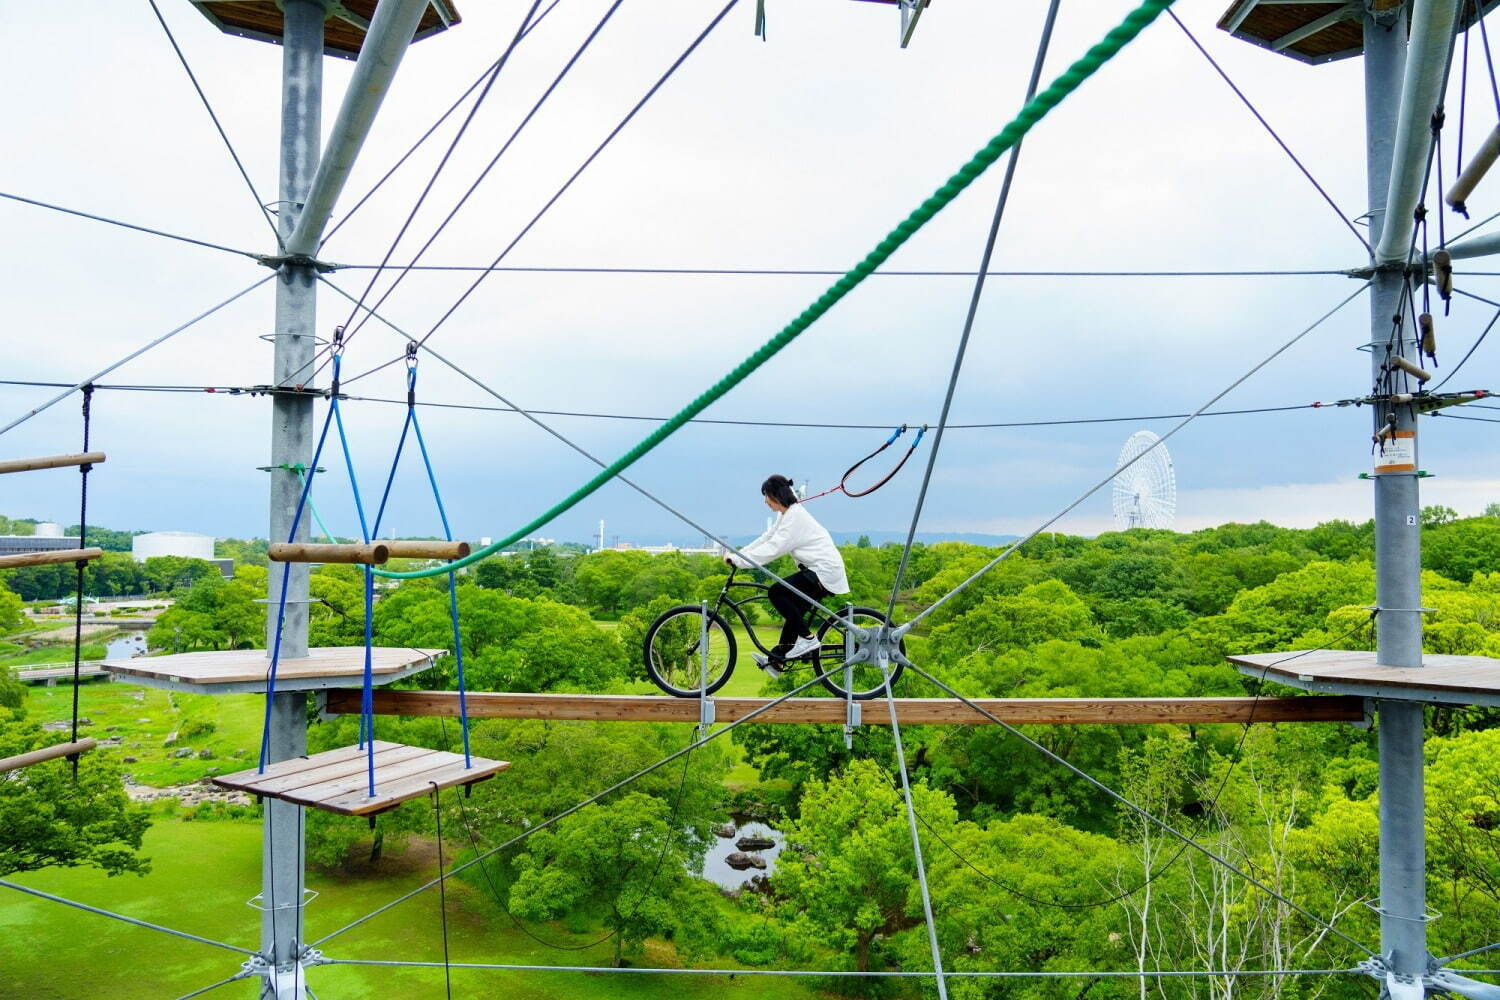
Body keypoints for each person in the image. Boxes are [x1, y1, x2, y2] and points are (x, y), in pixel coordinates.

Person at [725, 474, 850, 675]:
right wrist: (739, 555)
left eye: (766, 496)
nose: (765, 501)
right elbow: (767, 537)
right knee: (795, 615)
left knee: (777, 592)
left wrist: (740, 562)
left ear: (776, 495)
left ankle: (808, 640)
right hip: (817, 572)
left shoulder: (795, 518)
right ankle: (777, 660)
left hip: (823, 572)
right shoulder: (786, 514)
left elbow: (774, 547)